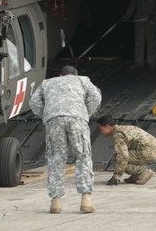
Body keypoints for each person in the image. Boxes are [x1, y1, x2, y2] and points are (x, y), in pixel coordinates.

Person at [29, 65, 102, 214]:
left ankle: (56, 202)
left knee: (56, 158)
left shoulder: (47, 83)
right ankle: (86, 199)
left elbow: (34, 102)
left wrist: (47, 115)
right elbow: (96, 97)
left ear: (60, 75)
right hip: (77, 119)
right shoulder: (83, 81)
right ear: (75, 75)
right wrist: (85, 113)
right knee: (83, 157)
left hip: (54, 120)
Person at [97, 115, 156, 185]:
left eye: (101, 129)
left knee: (118, 158)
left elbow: (122, 156)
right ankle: (136, 176)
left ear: (107, 127)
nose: (101, 132)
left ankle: (143, 172)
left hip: (149, 152)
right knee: (125, 156)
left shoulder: (118, 134)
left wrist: (116, 176)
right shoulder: (124, 128)